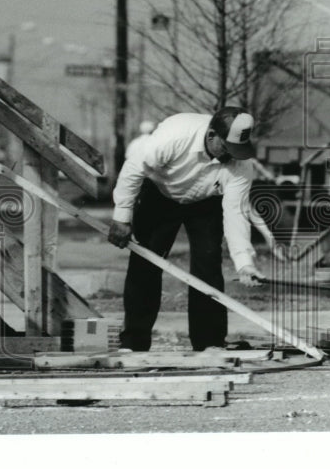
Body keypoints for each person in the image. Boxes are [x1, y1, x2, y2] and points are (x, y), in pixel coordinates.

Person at [107, 107, 270, 351]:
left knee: (208, 267)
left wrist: (244, 262)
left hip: (205, 204)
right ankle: (134, 342)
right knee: (145, 265)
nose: (230, 156)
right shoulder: (174, 135)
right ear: (212, 134)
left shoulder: (241, 164)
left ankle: (209, 343)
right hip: (160, 196)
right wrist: (122, 217)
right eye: (226, 148)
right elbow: (133, 170)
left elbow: (236, 213)